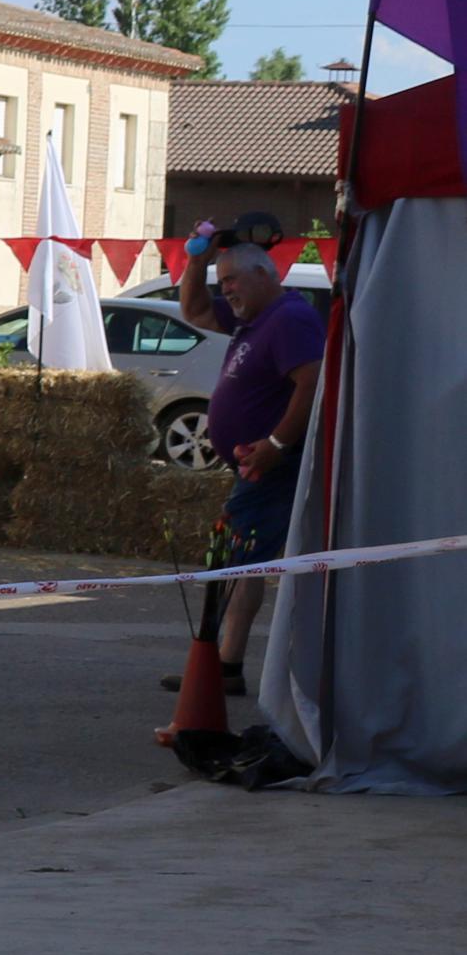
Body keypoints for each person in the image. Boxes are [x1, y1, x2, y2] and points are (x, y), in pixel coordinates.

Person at [167, 227, 325, 743]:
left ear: (264, 273)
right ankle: (225, 664)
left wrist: (275, 446)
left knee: (232, 558)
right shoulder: (254, 319)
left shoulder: (289, 318)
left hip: (272, 464)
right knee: (243, 559)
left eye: (233, 279)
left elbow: (313, 381)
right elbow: (193, 311)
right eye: (222, 280)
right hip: (255, 461)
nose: (226, 289)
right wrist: (197, 260)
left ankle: (220, 665)